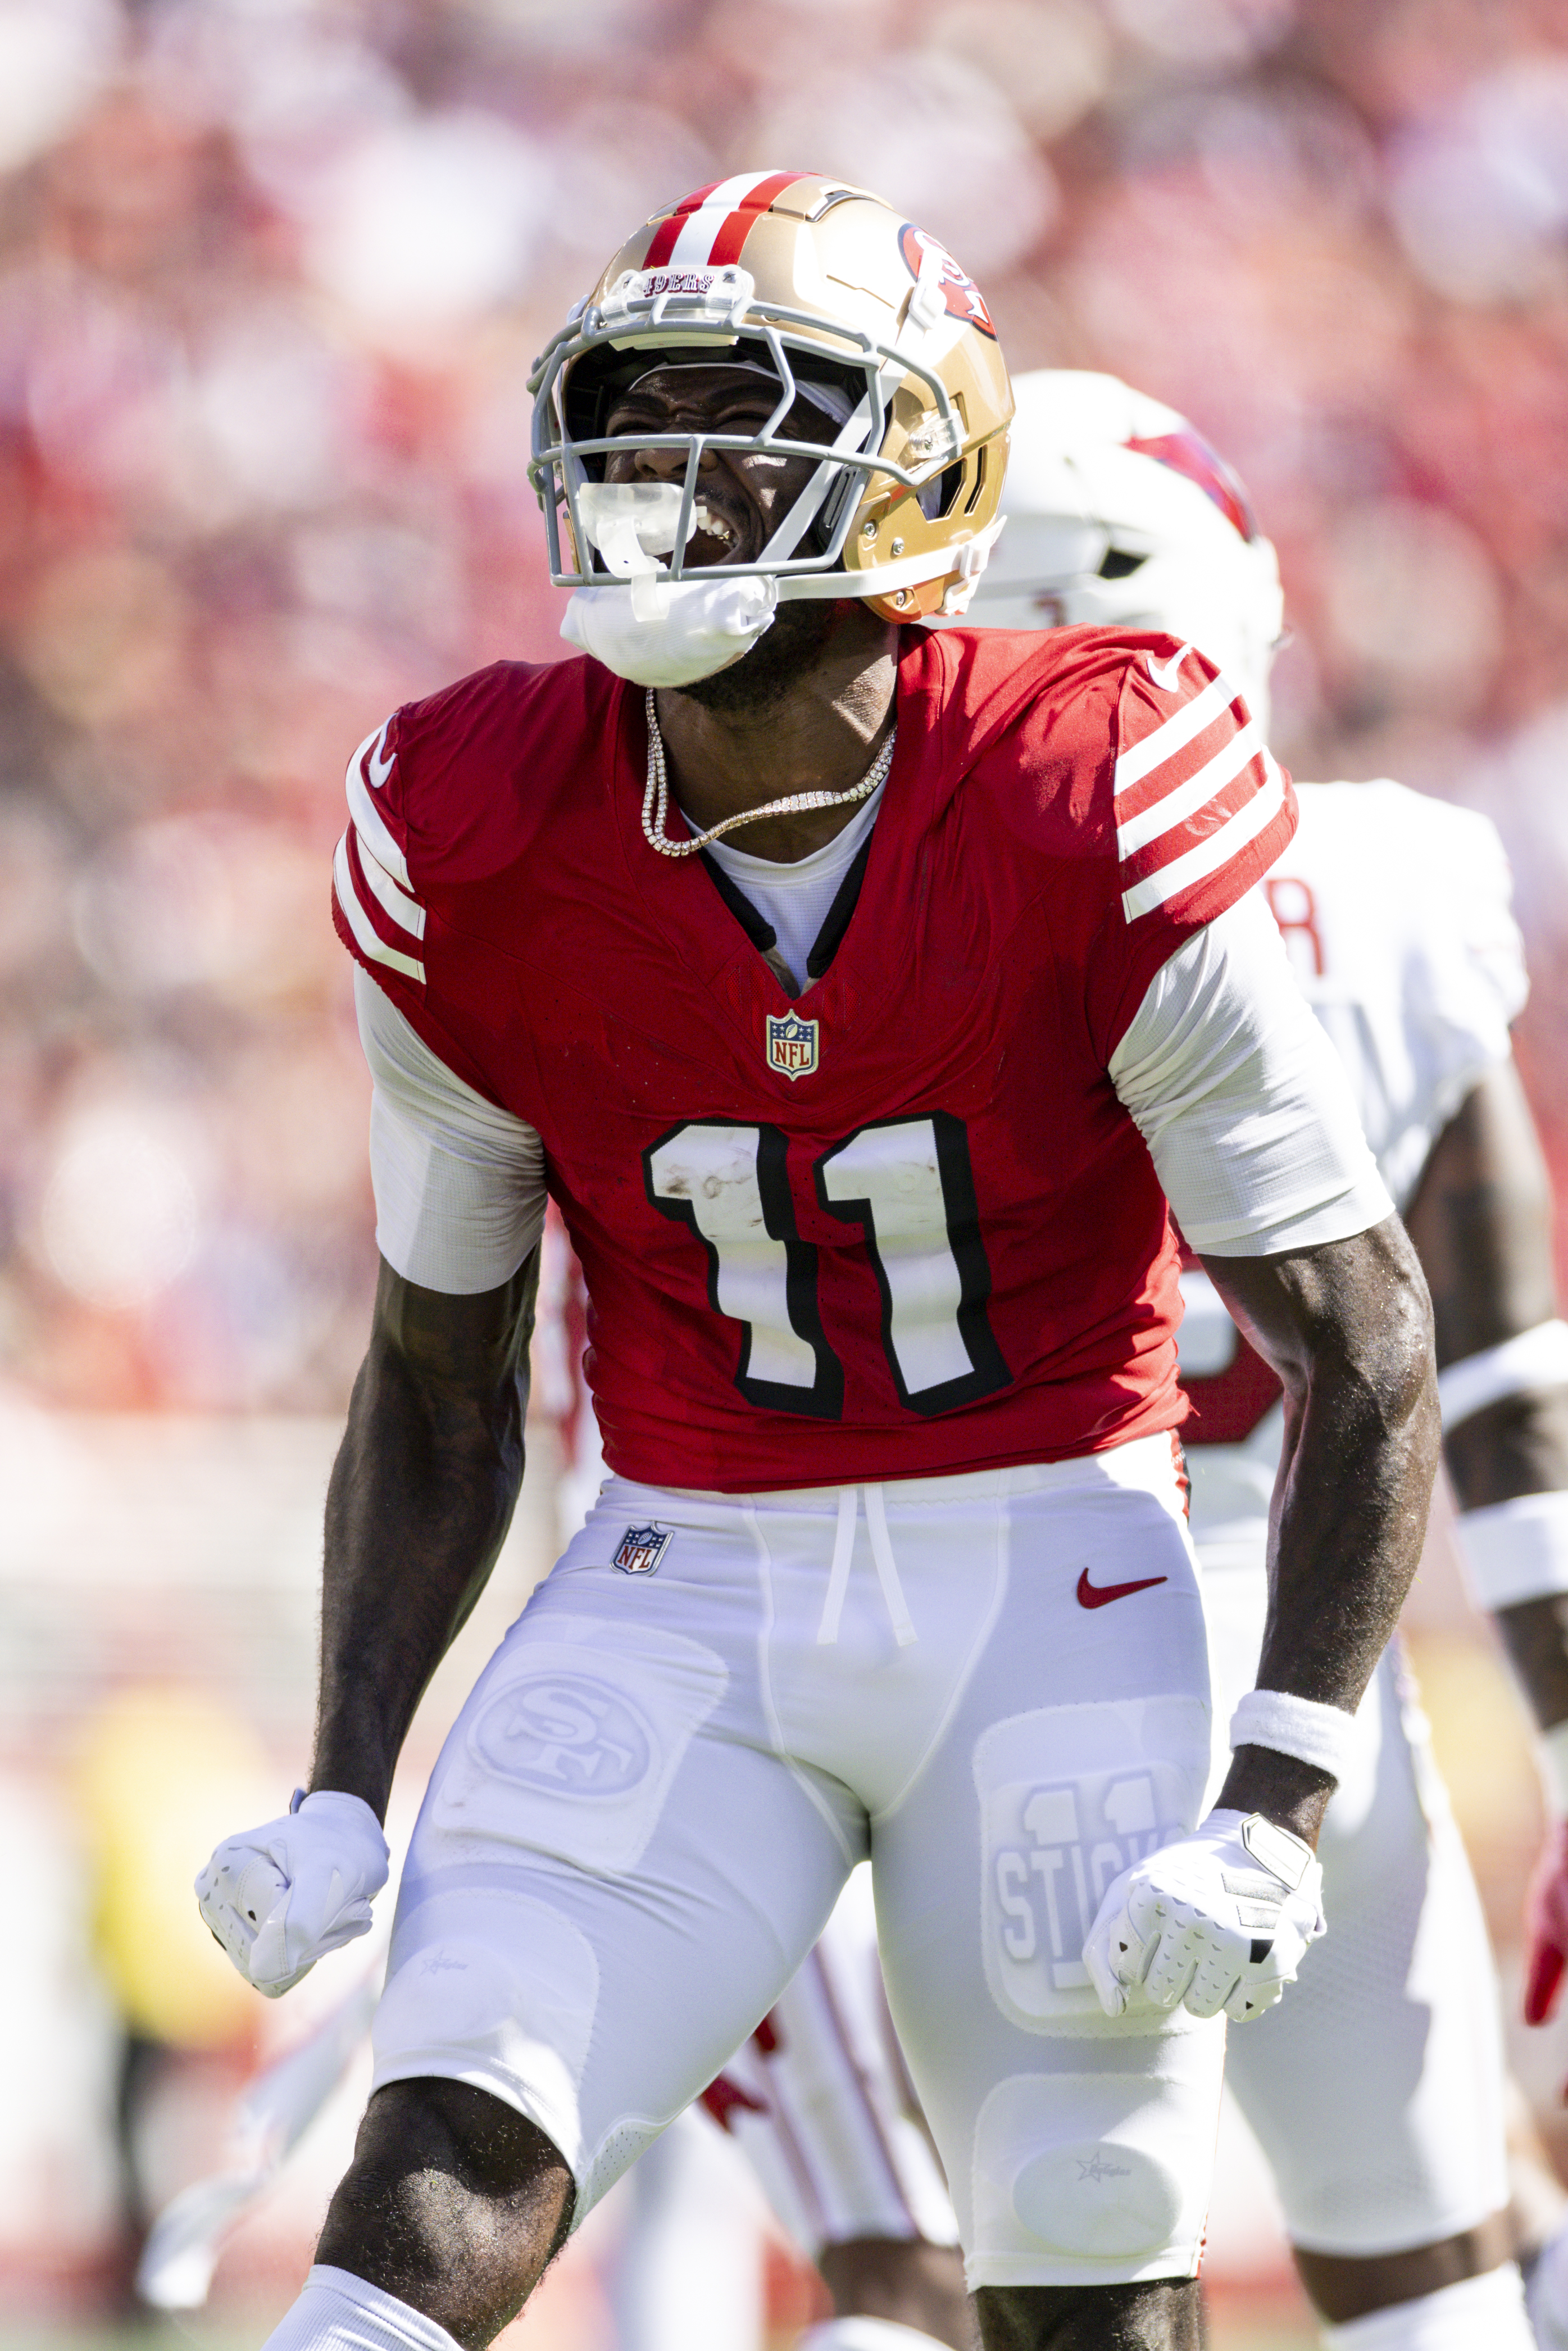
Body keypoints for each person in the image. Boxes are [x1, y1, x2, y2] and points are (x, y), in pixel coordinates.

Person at [191, 174, 1437, 2351]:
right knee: (440, 2168)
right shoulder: (468, 821)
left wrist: (1276, 1785)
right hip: (688, 1577)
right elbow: (439, 1366)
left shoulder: (1093, 780)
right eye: (628, 418)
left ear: (915, 478)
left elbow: (1361, 1339)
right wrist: (342, 1774)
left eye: (736, 419)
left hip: (1050, 1571)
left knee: (1080, 2254)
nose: (657, 480)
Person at [971, 367, 1560, 2349]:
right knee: (1428, 2277)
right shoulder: (1387, 885)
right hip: (1307, 1641)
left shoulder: (884, 917)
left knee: (1058, 2273)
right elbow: (1496, 1387)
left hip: (983, 1648)